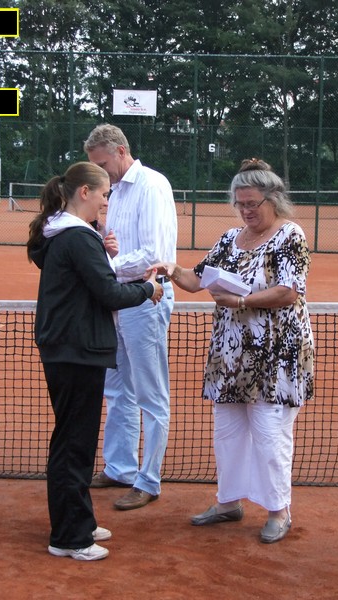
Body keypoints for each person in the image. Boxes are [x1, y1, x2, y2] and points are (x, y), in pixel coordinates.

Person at [151, 158, 314, 544]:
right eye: (240, 204)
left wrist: (242, 301)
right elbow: (197, 280)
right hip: (230, 354)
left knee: (269, 434)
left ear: (273, 199)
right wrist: (171, 269)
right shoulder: (229, 239)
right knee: (228, 431)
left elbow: (288, 292)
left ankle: (279, 511)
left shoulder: (290, 235)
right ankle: (228, 502)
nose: (245, 211)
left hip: (276, 354)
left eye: (252, 204)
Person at [26, 162, 163, 560]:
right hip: (76, 350)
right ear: (84, 192)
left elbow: (87, 279)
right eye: (103, 194)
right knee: (74, 444)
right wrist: (148, 289)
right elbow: (109, 293)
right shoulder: (77, 237)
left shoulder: (66, 234)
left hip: (70, 348)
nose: (107, 201)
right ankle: (69, 537)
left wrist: (102, 247)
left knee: (75, 441)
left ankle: (79, 522)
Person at [83, 124, 178, 511]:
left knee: (151, 395)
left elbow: (153, 255)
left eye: (103, 164)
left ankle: (148, 480)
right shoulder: (116, 191)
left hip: (147, 299)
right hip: (117, 299)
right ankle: (120, 468)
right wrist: (104, 248)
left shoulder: (152, 186)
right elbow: (117, 248)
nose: (100, 172)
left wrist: (103, 269)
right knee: (117, 389)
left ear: (121, 151)